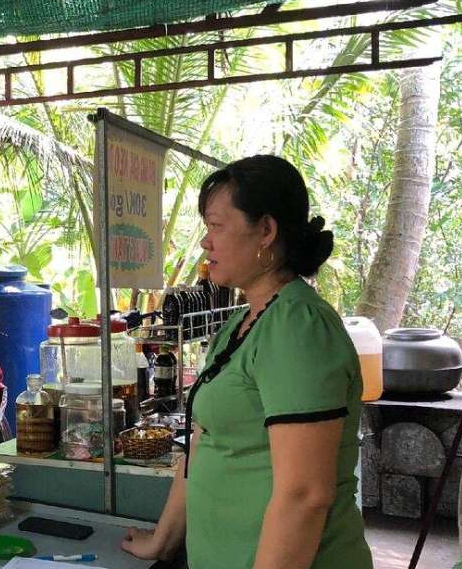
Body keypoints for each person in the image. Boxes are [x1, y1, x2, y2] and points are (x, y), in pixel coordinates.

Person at [122, 155, 372, 568]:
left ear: (266, 232)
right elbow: (202, 443)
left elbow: (305, 494)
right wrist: (162, 541)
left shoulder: (297, 327)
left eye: (216, 226)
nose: (206, 241)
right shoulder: (242, 322)